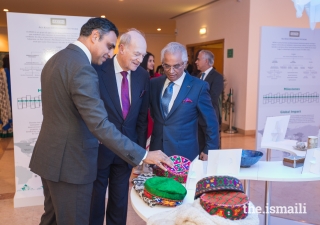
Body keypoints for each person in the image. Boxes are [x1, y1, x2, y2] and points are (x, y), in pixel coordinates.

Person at [29, 18, 173, 225]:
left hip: (50, 160)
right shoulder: (83, 68)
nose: (109, 52)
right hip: (71, 165)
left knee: (51, 219)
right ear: (95, 36)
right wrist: (143, 154)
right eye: (109, 46)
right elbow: (99, 124)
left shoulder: (57, 59)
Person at [89, 29, 150, 225]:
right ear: (121, 48)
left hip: (127, 151)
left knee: (120, 200)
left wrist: (138, 152)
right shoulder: (98, 69)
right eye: (137, 53)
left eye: (143, 55)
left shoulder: (142, 76)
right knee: (95, 200)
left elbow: (142, 117)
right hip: (100, 149)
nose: (141, 59)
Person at [149, 42, 219, 162]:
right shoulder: (154, 84)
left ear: (185, 63)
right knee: (157, 181)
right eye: (166, 66)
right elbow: (153, 115)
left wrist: (209, 149)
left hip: (184, 153)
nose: (171, 71)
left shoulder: (198, 87)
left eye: (176, 66)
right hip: (157, 152)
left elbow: (211, 122)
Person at [195, 50, 224, 150]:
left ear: (206, 61)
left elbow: (212, 98)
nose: (196, 62)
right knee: (200, 145)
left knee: (211, 147)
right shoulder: (198, 76)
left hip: (209, 117)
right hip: (197, 118)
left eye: (198, 59)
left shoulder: (217, 77)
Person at [0, 54, 12, 138]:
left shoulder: (2, 72)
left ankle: (7, 129)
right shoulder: (4, 72)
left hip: (6, 96)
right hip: (10, 96)